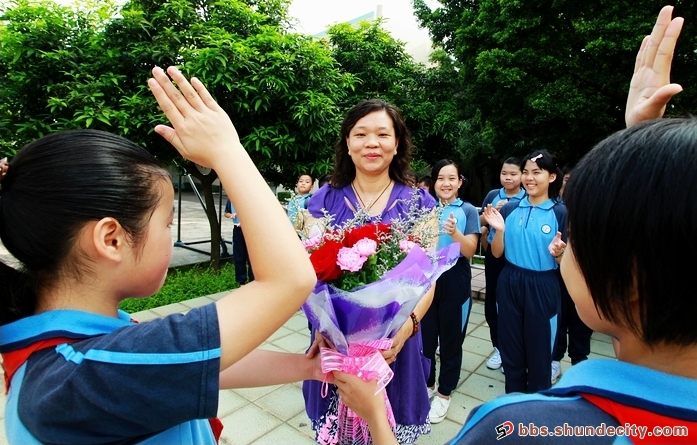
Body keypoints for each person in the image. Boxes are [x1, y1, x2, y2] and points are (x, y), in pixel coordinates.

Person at [333, 6, 696, 443]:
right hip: (385, 332)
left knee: (530, 357)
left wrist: (375, 414)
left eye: (583, 237)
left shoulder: (518, 427)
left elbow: (449, 260)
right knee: (510, 351)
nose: (371, 142)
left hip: (497, 299)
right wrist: (642, 143)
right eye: (359, 133)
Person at [0, 66, 322, 444]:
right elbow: (291, 279)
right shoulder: (88, 371)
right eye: (166, 224)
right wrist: (226, 151)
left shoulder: (79, 352)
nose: (170, 235)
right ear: (111, 239)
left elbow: (195, 367)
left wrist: (308, 366)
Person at [302, 98, 437, 444]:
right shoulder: (322, 202)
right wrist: (323, 326)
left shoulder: (420, 204)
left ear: (397, 144)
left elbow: (428, 280)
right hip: (336, 343)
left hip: (395, 345)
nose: (371, 143)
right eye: (360, 134)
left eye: (382, 134)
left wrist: (407, 328)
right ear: (348, 143)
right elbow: (308, 272)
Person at [483, 149, 566, 394]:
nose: (530, 178)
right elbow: (497, 253)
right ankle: (513, 403)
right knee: (512, 352)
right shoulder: (509, 209)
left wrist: (559, 253)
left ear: (551, 177)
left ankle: (536, 411)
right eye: (526, 172)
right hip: (509, 282)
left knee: (540, 355)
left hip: (543, 286)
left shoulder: (560, 213)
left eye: (536, 173)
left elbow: (568, 265)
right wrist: (499, 231)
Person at [422, 160, 481, 424]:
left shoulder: (468, 210)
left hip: (455, 277)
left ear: (459, 182)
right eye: (440, 178)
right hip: (427, 277)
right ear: (434, 183)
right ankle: (428, 384)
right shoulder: (426, 209)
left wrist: (454, 231)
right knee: (424, 339)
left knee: (450, 340)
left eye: (451, 178)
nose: (445, 183)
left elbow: (469, 250)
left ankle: (445, 394)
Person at [478, 157, 526, 372]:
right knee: (493, 301)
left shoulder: (528, 197)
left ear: (522, 176)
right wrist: (491, 215)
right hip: (494, 257)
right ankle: (498, 347)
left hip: (516, 257)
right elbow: (478, 221)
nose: (508, 177)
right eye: (504, 173)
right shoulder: (492, 195)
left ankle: (515, 350)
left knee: (516, 304)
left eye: (513, 174)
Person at [551, 163, 593, 384]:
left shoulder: (591, 207)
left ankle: (579, 363)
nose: (571, 184)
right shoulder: (554, 209)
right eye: (567, 180)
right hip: (557, 275)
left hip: (584, 276)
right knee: (559, 317)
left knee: (581, 322)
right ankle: (555, 360)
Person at [224, 198, 254, 285]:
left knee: (251, 257)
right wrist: (231, 215)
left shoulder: (249, 198)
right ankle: (241, 282)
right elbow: (226, 213)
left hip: (250, 229)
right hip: (238, 229)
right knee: (239, 256)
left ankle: (253, 281)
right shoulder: (231, 199)